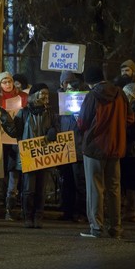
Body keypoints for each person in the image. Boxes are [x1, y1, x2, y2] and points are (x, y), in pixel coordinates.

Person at [78, 66, 134, 239]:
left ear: (89, 82)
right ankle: (116, 228)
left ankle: (96, 227)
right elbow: (130, 118)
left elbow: (82, 122)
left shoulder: (92, 95)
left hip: (95, 148)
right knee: (114, 188)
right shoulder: (120, 93)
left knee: (95, 188)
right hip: (116, 146)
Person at [0, 83, 58, 228]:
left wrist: (53, 131)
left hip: (44, 156)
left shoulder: (51, 113)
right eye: (42, 93)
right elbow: (14, 132)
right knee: (28, 189)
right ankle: (28, 217)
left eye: (47, 94)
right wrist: (5, 118)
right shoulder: (23, 113)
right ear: (34, 95)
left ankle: (38, 217)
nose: (45, 96)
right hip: (28, 157)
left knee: (41, 190)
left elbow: (57, 128)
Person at [0, 71, 28, 220]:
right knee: (9, 172)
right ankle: (9, 206)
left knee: (20, 172)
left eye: (9, 81)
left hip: (21, 139)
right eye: (4, 82)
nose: (7, 84)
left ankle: (21, 206)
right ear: (0, 84)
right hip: (4, 141)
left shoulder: (23, 97)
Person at [57, 78, 88, 222]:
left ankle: (81, 212)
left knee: (80, 183)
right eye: (67, 89)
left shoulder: (85, 108)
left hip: (78, 150)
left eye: (72, 89)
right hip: (65, 150)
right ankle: (67, 211)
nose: (68, 92)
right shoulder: (63, 107)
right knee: (66, 182)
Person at [121, 83, 135, 223]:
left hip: (132, 150)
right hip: (131, 149)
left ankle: (130, 211)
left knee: (130, 181)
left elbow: (133, 131)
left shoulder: (134, 109)